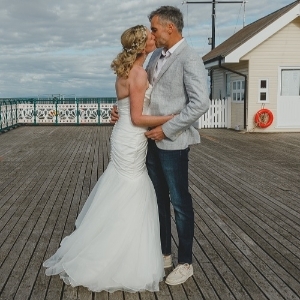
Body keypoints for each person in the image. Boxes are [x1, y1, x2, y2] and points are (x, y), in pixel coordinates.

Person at [43, 25, 175, 293]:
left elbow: (128, 110)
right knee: (132, 190)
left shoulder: (127, 72)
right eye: (149, 36)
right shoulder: (137, 74)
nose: (153, 37)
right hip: (131, 137)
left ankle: (117, 246)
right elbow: (138, 118)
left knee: (122, 189)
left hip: (124, 136)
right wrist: (173, 118)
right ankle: (118, 255)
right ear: (141, 46)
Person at [111, 6, 209, 286]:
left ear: (170, 27)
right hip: (147, 140)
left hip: (172, 142)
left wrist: (166, 129)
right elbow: (139, 95)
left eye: (153, 28)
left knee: (179, 202)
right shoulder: (155, 56)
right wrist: (122, 111)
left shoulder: (190, 58)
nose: (150, 33)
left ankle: (185, 262)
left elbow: (200, 103)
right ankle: (164, 253)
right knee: (157, 200)